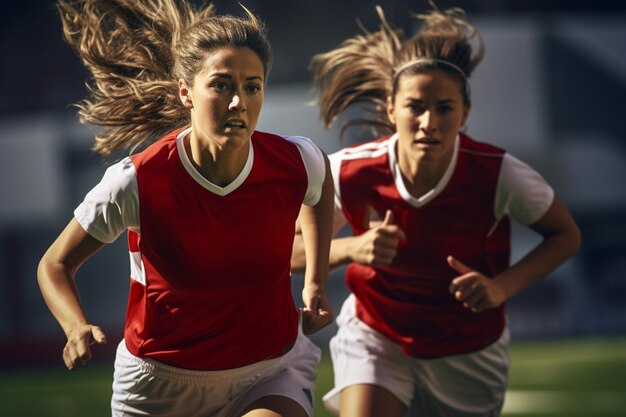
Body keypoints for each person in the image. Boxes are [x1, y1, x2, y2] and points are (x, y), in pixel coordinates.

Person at [37, 1, 334, 416]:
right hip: (159, 385)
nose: (239, 103)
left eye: (252, 86)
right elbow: (54, 264)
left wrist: (315, 282)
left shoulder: (298, 161)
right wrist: (75, 327)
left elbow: (319, 195)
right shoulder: (136, 181)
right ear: (185, 92)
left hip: (270, 370)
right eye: (222, 85)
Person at [291, 3, 581, 417]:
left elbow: (566, 235)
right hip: (377, 336)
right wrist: (353, 249)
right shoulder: (349, 171)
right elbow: (287, 252)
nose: (429, 121)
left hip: (468, 351)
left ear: (464, 114)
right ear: (392, 110)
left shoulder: (499, 174)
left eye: (444, 108)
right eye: (415, 107)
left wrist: (501, 288)